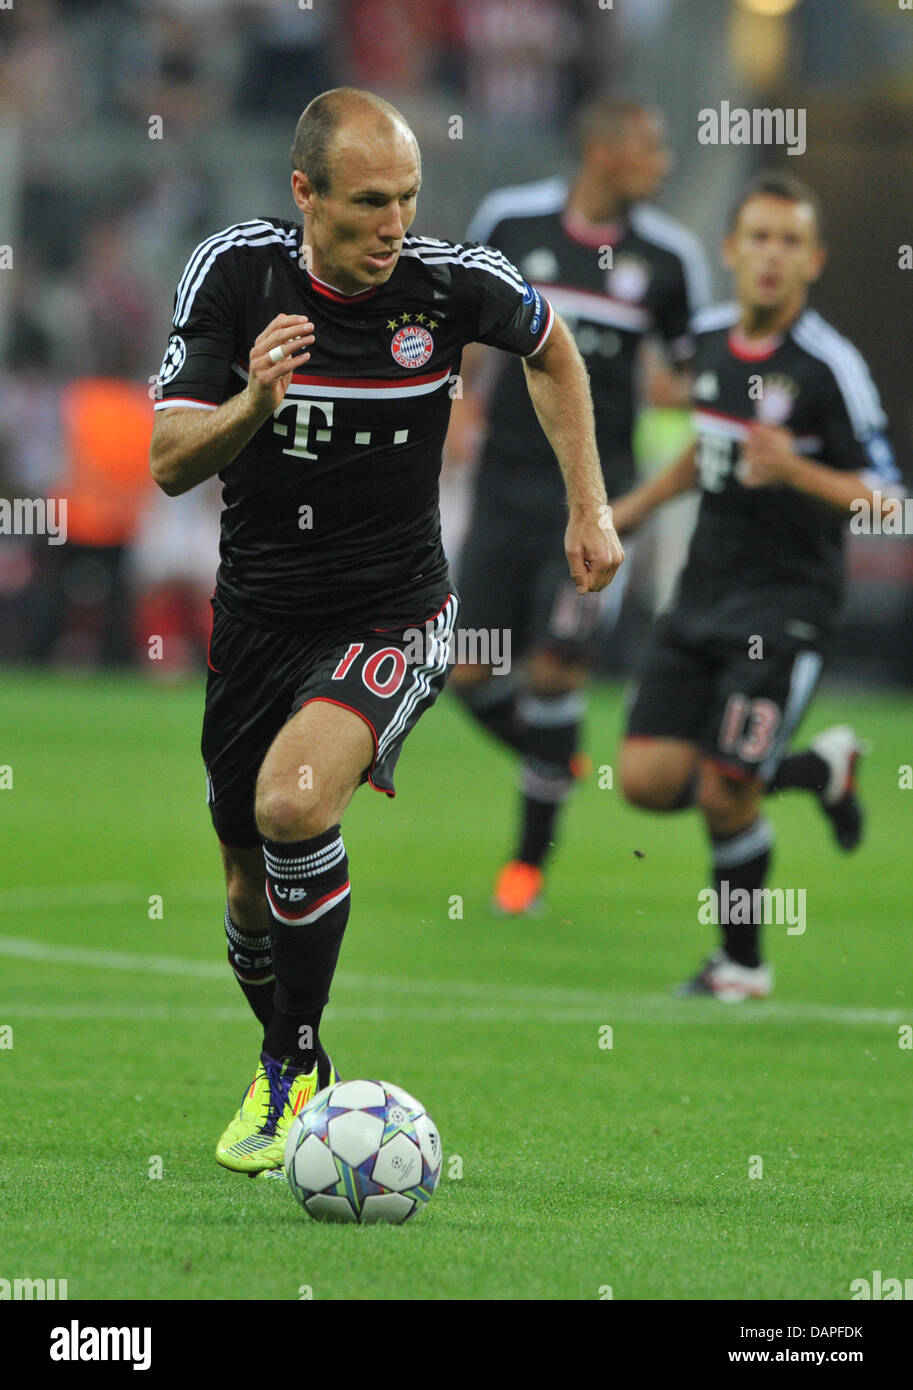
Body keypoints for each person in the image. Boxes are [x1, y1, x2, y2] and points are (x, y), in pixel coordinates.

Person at [149, 88, 623, 1175]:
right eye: (368, 202)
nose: (393, 224)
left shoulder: (452, 285)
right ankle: (287, 1055)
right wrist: (252, 404)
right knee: (243, 875)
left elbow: (554, 351)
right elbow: (171, 461)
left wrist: (586, 505)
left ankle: (294, 1066)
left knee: (292, 803)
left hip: (396, 609)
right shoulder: (233, 275)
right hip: (260, 617)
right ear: (304, 194)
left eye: (406, 197)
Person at [612, 171, 900, 1001]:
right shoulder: (705, 341)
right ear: (731, 250)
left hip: (785, 608)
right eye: (758, 238)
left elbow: (891, 507)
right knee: (644, 779)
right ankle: (819, 771)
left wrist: (798, 471)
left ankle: (740, 965)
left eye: (789, 242)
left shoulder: (828, 368)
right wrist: (619, 515)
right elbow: (699, 455)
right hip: (701, 594)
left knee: (724, 788)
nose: (771, 256)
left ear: (812, 260)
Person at [449, 98, 710, 916]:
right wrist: (455, 402)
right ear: (600, 150)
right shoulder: (511, 219)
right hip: (502, 488)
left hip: (597, 496)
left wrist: (667, 389)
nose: (661, 165)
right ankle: (551, 758)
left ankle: (525, 867)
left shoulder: (669, 258)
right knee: (466, 672)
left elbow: (692, 369)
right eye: (649, 148)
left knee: (557, 670)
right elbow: (453, 319)